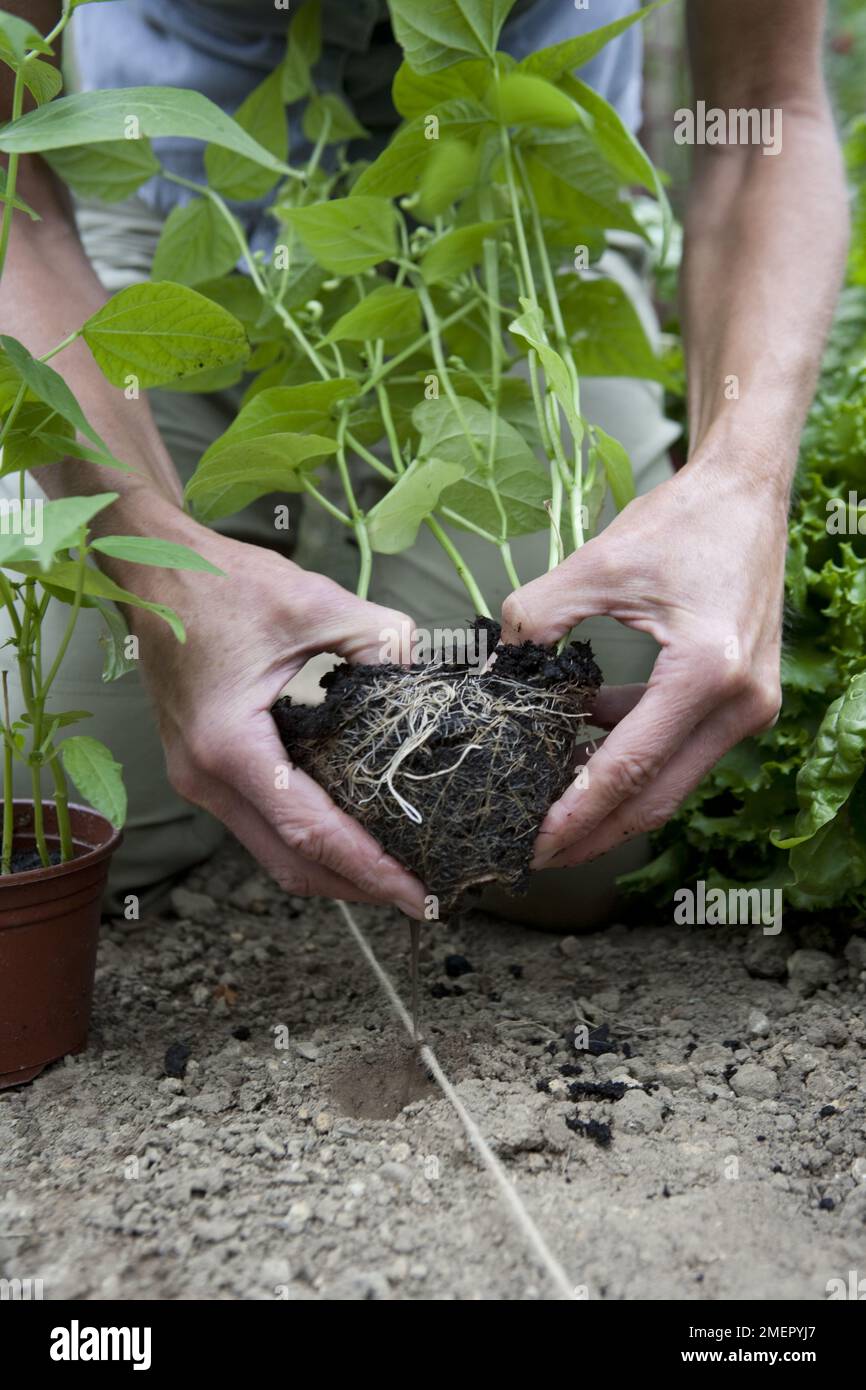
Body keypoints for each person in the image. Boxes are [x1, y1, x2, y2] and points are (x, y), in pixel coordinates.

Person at [0, 1, 849, 928]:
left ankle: (306, 605)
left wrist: (743, 485)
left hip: (514, 246)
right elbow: (11, 172)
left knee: (586, 824)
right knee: (41, 795)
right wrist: (148, 570)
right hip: (167, 251)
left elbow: (767, 117)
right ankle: (269, 598)